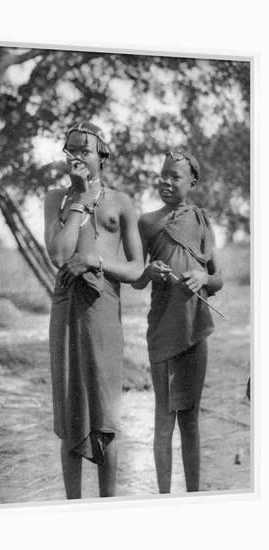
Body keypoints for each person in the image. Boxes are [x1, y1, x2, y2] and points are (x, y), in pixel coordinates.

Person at [44, 121, 143, 499]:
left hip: (103, 311)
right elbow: (57, 254)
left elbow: (135, 270)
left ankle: (109, 508)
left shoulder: (121, 202)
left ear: (102, 154)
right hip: (66, 311)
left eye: (83, 150)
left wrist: (94, 260)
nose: (75, 157)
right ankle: (74, 510)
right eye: (69, 150)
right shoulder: (57, 199)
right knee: (72, 417)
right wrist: (81, 201)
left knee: (105, 418)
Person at [133, 150, 223, 493]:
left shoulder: (201, 220)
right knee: (163, 419)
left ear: (192, 183)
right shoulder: (147, 222)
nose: (166, 182)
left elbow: (219, 279)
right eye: (163, 174)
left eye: (175, 176)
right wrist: (148, 271)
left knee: (191, 420)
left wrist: (203, 277)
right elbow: (134, 278)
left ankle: (195, 497)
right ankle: (163, 500)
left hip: (194, 329)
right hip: (162, 329)